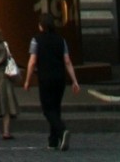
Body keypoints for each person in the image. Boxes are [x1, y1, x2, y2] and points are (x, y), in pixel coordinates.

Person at [23, 12, 79, 152]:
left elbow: (32, 61)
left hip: (45, 78)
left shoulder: (36, 40)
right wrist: (74, 81)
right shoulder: (61, 40)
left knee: (48, 110)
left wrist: (27, 80)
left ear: (41, 26)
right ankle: (53, 141)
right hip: (60, 79)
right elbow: (67, 61)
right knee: (56, 107)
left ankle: (62, 130)